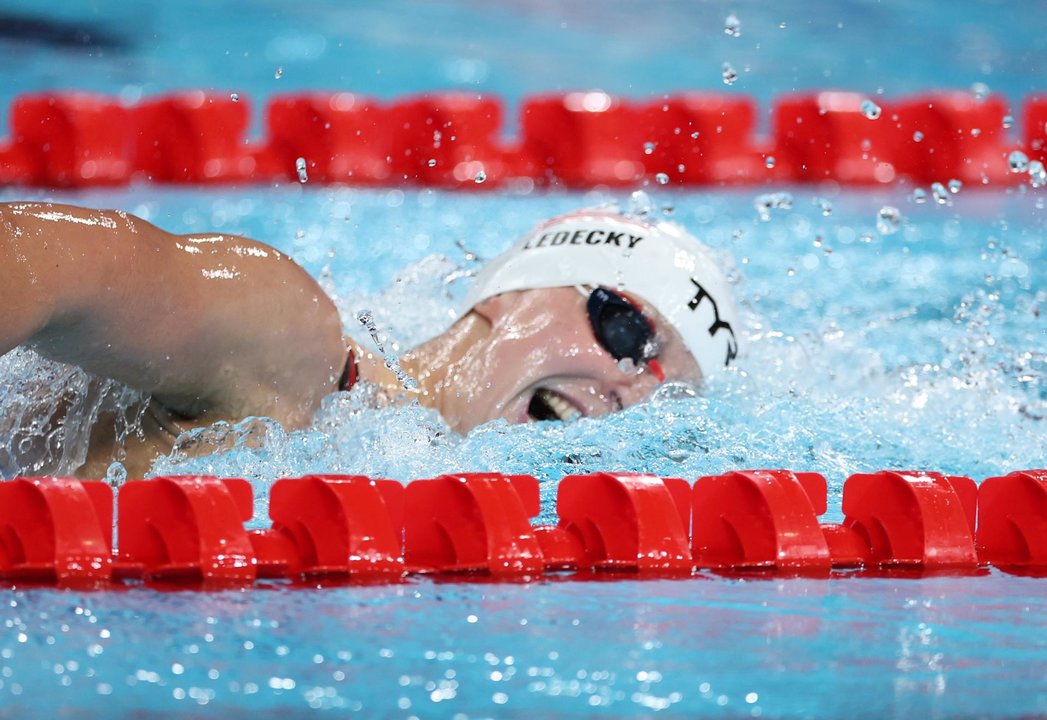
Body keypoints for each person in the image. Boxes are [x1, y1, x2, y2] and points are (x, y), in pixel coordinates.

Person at [0, 201, 740, 479]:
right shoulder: (294, 347)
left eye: (668, 396)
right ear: (508, 293)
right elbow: (51, 263)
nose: (633, 387)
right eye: (628, 331)